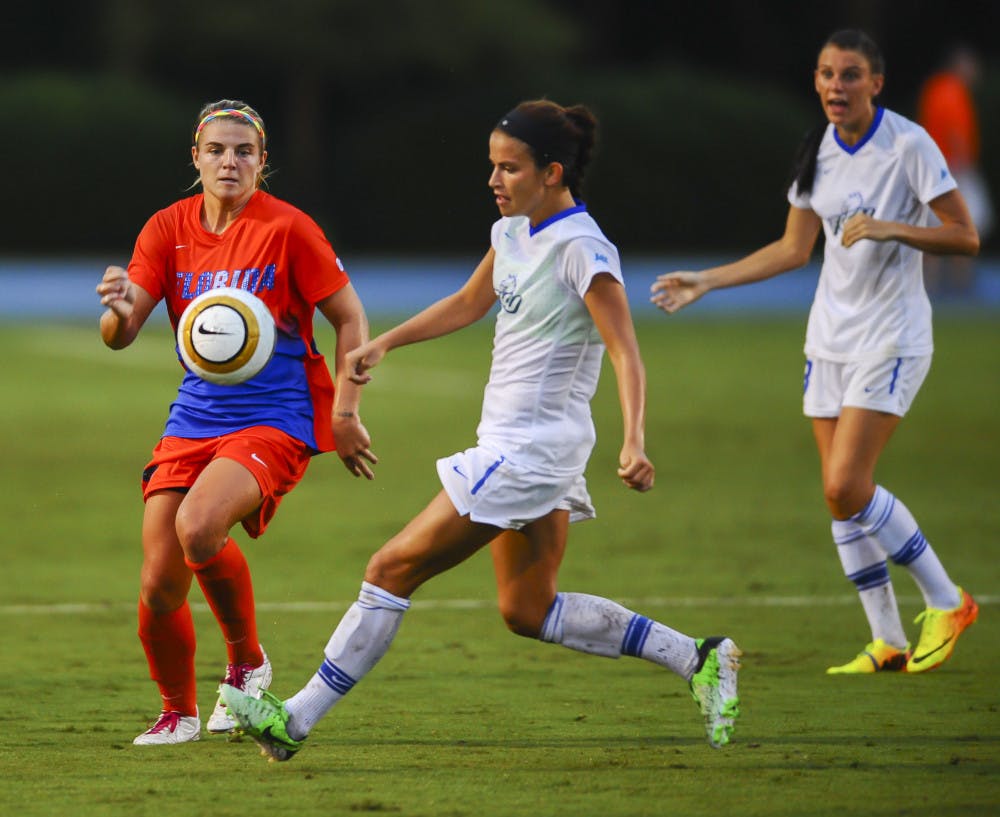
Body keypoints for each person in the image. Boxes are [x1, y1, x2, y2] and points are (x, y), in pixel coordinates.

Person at [221, 99, 741, 762]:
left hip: (526, 451)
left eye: (509, 168)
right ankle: (699, 657)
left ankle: (293, 719)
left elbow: (625, 350)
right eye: (492, 166)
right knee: (529, 608)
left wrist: (633, 438)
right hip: (526, 448)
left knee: (389, 568)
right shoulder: (512, 233)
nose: (494, 181)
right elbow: (470, 302)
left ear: (553, 172)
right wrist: (386, 343)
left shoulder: (582, 248)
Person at [651, 30, 979, 675]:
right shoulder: (819, 150)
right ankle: (886, 641)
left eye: (851, 75)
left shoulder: (908, 145)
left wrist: (893, 228)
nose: (836, 86)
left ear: (876, 83)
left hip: (891, 336)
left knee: (846, 483)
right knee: (839, 499)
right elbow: (792, 249)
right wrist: (708, 280)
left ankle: (949, 599)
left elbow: (965, 237)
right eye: (827, 74)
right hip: (828, 338)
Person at [96, 99, 378, 745]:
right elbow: (121, 333)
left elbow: (350, 317)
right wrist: (114, 308)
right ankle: (178, 712)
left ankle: (247, 663)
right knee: (159, 581)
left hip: (276, 417)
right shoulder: (166, 229)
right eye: (217, 150)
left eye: (244, 151)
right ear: (195, 158)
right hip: (195, 416)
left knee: (199, 527)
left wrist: (344, 411)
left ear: (262, 162)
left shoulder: (288, 229)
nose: (230, 160)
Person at [917, 44, 994, 295]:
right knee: (966, 225)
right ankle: (962, 287)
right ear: (960, 65)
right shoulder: (953, 92)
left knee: (936, 227)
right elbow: (956, 133)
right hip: (954, 169)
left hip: (933, 168)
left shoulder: (934, 88)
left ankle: (931, 284)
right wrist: (964, 167)